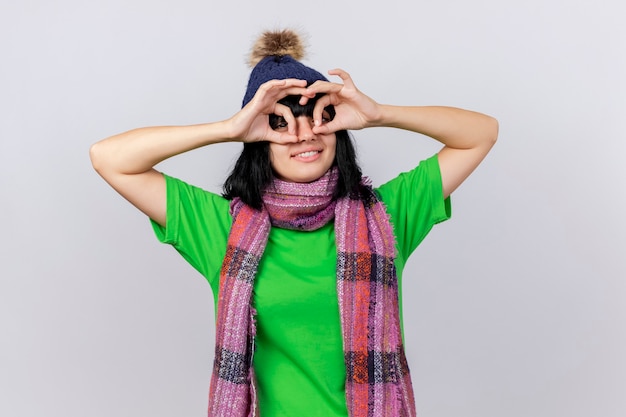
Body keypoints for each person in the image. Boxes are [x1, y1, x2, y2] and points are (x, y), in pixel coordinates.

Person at [90, 29, 498, 417]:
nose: (303, 135)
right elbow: (110, 159)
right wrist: (229, 129)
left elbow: (481, 133)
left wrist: (378, 114)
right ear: (258, 138)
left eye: (319, 117)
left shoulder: (386, 217)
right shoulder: (221, 229)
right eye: (279, 123)